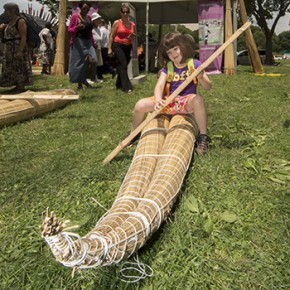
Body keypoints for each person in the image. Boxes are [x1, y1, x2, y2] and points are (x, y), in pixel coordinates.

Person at [130, 32, 212, 155]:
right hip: (168, 102)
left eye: (175, 49)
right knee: (140, 105)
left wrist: (201, 77)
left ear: (183, 46)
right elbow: (159, 86)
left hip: (185, 103)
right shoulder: (168, 67)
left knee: (198, 100)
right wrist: (158, 100)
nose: (173, 54)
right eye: (169, 52)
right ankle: (133, 134)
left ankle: (203, 137)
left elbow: (208, 86)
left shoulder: (194, 64)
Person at [0, 3, 33, 94]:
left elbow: (23, 36)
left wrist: (20, 50)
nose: (5, 12)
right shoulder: (10, 22)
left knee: (19, 66)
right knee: (12, 66)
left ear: (13, 10)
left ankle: (21, 86)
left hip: (17, 46)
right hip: (10, 48)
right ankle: (16, 85)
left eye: (6, 10)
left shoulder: (20, 21)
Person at [68, 1, 97, 90]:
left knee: (94, 60)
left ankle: (86, 79)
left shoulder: (89, 18)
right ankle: (80, 83)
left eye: (88, 9)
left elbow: (90, 32)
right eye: (84, 8)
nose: (86, 10)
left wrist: (93, 43)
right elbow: (69, 30)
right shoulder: (75, 17)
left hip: (88, 41)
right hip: (78, 41)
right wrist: (76, 28)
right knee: (80, 63)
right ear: (80, 8)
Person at [108, 3, 135, 94]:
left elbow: (133, 37)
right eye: (123, 12)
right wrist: (109, 48)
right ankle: (127, 87)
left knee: (122, 66)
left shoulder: (132, 24)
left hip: (128, 46)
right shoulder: (116, 23)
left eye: (127, 12)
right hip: (117, 45)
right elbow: (111, 36)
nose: (125, 14)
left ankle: (118, 83)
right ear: (120, 13)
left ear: (129, 13)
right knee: (123, 64)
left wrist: (132, 37)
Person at [91, 12, 103, 82]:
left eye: (99, 19)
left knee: (97, 63)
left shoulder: (98, 28)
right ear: (94, 20)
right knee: (93, 62)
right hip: (93, 47)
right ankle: (91, 77)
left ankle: (95, 77)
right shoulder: (91, 28)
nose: (99, 21)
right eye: (97, 19)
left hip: (98, 47)